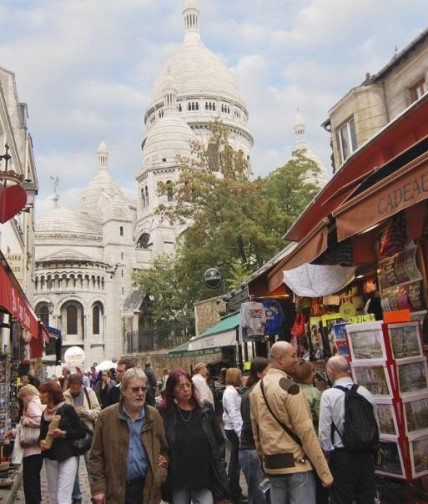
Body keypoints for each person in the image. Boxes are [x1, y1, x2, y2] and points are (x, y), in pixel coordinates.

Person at [250, 341, 333, 503]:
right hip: (297, 464)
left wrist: (263, 464)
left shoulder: (256, 389)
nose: (297, 359)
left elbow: (257, 433)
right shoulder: (290, 388)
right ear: (280, 359)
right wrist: (324, 472)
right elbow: (306, 432)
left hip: (273, 464)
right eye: (293, 355)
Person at [89, 368, 168, 504]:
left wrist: (158, 476)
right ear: (124, 391)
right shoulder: (106, 417)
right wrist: (98, 488)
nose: (141, 393)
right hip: (117, 490)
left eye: (144, 389)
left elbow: (164, 450)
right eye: (135, 389)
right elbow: (96, 455)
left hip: (147, 489)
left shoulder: (154, 416)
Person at [158, 369, 228, 504]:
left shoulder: (205, 409)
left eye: (188, 384)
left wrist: (219, 465)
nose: (186, 389)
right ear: (172, 390)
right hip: (178, 478)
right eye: (180, 386)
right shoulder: (164, 413)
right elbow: (161, 442)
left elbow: (218, 440)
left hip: (203, 476)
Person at [318, 355, 377, 504]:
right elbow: (375, 424)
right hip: (366, 455)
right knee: (366, 496)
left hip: (342, 456)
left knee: (341, 497)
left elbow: (324, 430)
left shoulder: (328, 395)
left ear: (331, 372)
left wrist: (326, 454)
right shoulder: (365, 392)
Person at [39, 380, 86, 504]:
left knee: (62, 497)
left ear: (51, 395)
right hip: (50, 457)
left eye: (43, 392)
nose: (40, 395)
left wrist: (64, 433)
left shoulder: (67, 409)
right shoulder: (44, 413)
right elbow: (41, 435)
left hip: (67, 456)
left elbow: (81, 431)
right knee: (54, 497)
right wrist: (41, 442)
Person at [64, 373, 101, 504]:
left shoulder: (88, 392)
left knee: (91, 466)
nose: (75, 390)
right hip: (73, 434)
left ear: (81, 385)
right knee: (72, 468)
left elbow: (98, 410)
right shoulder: (65, 395)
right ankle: (76, 497)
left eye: (77, 388)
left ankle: (96, 494)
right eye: (73, 388)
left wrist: (88, 412)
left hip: (88, 433)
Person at [239, 358, 269, 504]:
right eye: (268, 372)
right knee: (259, 497)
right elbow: (250, 424)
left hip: (257, 449)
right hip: (251, 450)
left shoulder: (260, 392)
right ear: (259, 374)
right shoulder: (251, 395)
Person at [17, 384, 46, 504]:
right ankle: (37, 499)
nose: (23, 402)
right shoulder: (39, 402)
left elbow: (40, 420)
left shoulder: (32, 404)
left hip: (32, 447)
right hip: (37, 447)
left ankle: (33, 501)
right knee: (35, 477)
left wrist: (26, 420)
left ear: (27, 395)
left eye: (23, 398)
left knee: (30, 479)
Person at [222, 367, 246, 504]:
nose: (241, 377)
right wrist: (239, 433)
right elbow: (234, 413)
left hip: (232, 428)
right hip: (233, 429)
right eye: (240, 375)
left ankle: (234, 490)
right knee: (236, 461)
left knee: (235, 461)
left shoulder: (232, 391)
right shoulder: (230, 393)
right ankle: (233, 491)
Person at [293, 360, 321, 430]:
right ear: (305, 374)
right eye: (312, 371)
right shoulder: (314, 392)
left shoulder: (290, 390)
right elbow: (321, 417)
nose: (314, 373)